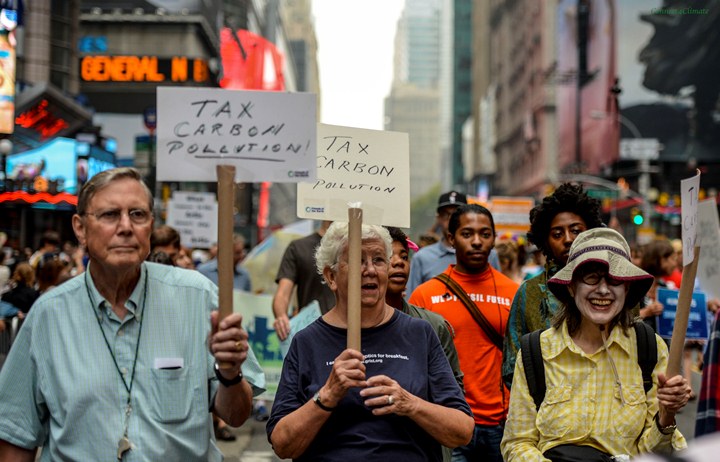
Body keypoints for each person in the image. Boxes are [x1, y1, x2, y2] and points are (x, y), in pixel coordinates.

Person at [0, 167, 265, 461]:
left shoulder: (198, 297)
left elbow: (238, 414)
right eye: (110, 215)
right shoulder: (48, 315)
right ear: (80, 228)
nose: (125, 226)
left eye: (137, 215)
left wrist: (229, 374)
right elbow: (16, 435)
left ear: (150, 224)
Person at [267, 222, 473, 461]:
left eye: (378, 260)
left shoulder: (420, 333)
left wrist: (410, 404)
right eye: (357, 261)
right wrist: (328, 395)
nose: (370, 270)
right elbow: (282, 445)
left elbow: (462, 431)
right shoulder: (306, 342)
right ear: (331, 276)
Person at [501, 228, 690, 461]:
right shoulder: (536, 351)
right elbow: (517, 443)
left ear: (627, 288)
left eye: (615, 279)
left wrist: (666, 416)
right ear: (571, 286)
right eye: (591, 277)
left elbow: (653, 453)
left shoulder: (648, 348)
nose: (603, 289)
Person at [409, 204, 519, 462]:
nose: (477, 242)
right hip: (449, 423)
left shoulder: (514, 293)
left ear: (493, 239)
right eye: (467, 234)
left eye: (485, 234)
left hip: (503, 424)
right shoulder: (425, 295)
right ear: (450, 239)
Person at [502, 183, 604, 387]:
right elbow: (512, 368)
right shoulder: (530, 291)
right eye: (557, 234)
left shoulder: (615, 286)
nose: (568, 239)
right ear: (546, 242)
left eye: (576, 230)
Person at [406, 191, 500, 296]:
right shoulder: (422, 257)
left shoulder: (489, 255)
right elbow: (412, 305)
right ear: (438, 218)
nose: (451, 219)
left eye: (456, 214)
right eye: (446, 215)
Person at [272, 220, 335, 341]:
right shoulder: (298, 247)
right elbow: (282, 293)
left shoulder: (356, 247)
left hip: (350, 332)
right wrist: (281, 317)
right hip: (311, 333)